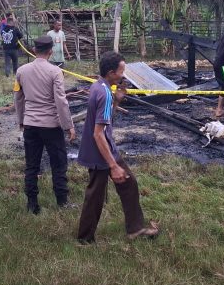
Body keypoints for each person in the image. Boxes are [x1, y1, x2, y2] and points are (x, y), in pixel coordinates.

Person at [76, 52, 159, 243]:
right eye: (122, 71)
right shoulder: (104, 93)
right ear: (112, 72)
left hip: (105, 148)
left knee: (129, 184)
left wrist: (117, 100)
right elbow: (98, 133)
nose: (124, 75)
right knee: (95, 196)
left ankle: (135, 229)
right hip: (101, 152)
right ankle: (84, 239)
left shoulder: (99, 86)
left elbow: (104, 121)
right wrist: (113, 166)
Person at [15, 35, 76, 214]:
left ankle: (32, 203)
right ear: (51, 51)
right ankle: (62, 201)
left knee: (31, 165)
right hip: (51, 125)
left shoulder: (21, 70)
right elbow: (61, 101)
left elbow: (18, 98)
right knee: (58, 164)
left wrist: (21, 121)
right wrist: (68, 125)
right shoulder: (55, 71)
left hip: (31, 125)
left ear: (34, 51)